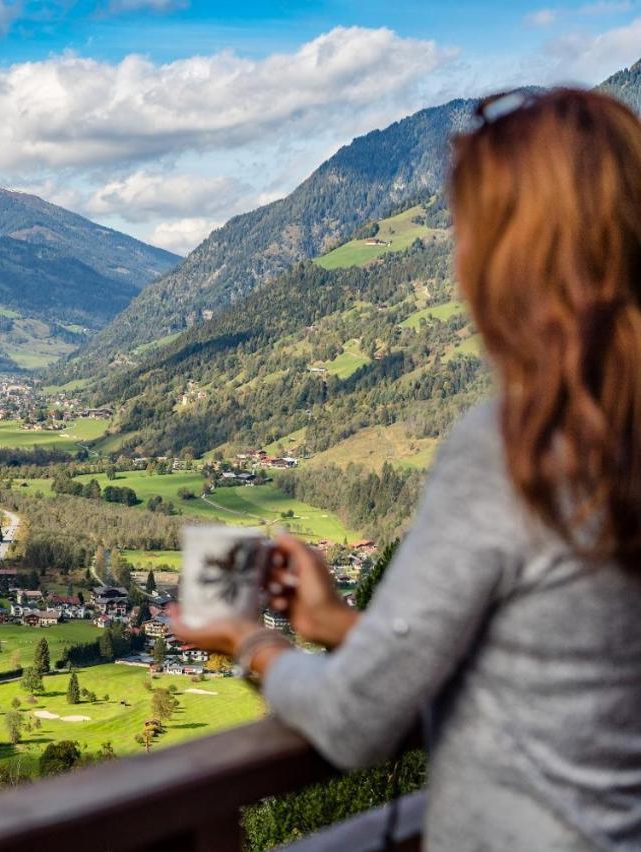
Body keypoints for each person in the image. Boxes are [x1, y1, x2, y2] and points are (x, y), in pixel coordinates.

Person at [173, 88, 641, 851]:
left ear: (510, 262)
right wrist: (339, 627)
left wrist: (248, 643)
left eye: (468, 233)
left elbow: (353, 726)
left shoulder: (518, 448)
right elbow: (566, 675)